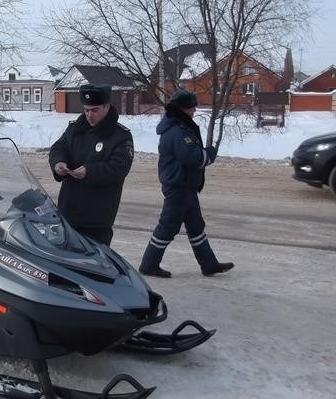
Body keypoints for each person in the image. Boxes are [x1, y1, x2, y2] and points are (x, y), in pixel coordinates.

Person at [138, 89, 234, 278]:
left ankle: (209, 264)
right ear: (183, 109)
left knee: (196, 226)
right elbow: (192, 158)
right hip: (178, 187)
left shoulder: (179, 127)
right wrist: (210, 154)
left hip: (185, 186)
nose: (194, 111)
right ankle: (149, 264)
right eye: (192, 108)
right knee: (168, 227)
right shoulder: (178, 131)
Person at [48, 84, 134, 246]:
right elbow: (59, 148)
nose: (89, 115)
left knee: (96, 265)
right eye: (86, 110)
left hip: (97, 216)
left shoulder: (120, 136)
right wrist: (58, 163)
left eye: (94, 110)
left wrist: (89, 171)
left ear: (106, 107)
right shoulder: (75, 129)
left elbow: (119, 167)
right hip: (69, 210)